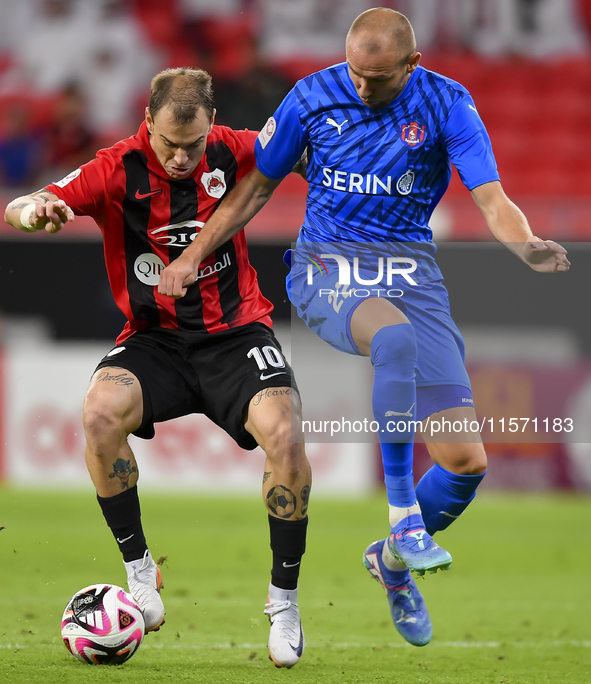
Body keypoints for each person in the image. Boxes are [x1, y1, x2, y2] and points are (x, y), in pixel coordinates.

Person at [157, 9, 570, 648]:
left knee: (465, 463)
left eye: (378, 78)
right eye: (356, 72)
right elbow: (254, 189)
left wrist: (525, 246)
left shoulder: (447, 103)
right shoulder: (313, 97)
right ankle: (405, 515)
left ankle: (391, 562)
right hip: (326, 266)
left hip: (412, 274)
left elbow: (492, 198)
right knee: (395, 338)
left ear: (412, 64)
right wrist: (191, 254)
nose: (363, 87)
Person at [4, 67, 311, 670]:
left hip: (235, 334)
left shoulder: (235, 150)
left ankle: (284, 602)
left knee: (287, 434)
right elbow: (28, 202)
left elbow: (306, 149)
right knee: (98, 414)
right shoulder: (115, 167)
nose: (179, 157)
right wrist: (35, 213)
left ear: (211, 129)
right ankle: (140, 574)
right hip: (155, 341)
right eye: (168, 143)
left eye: (192, 145)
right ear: (147, 124)